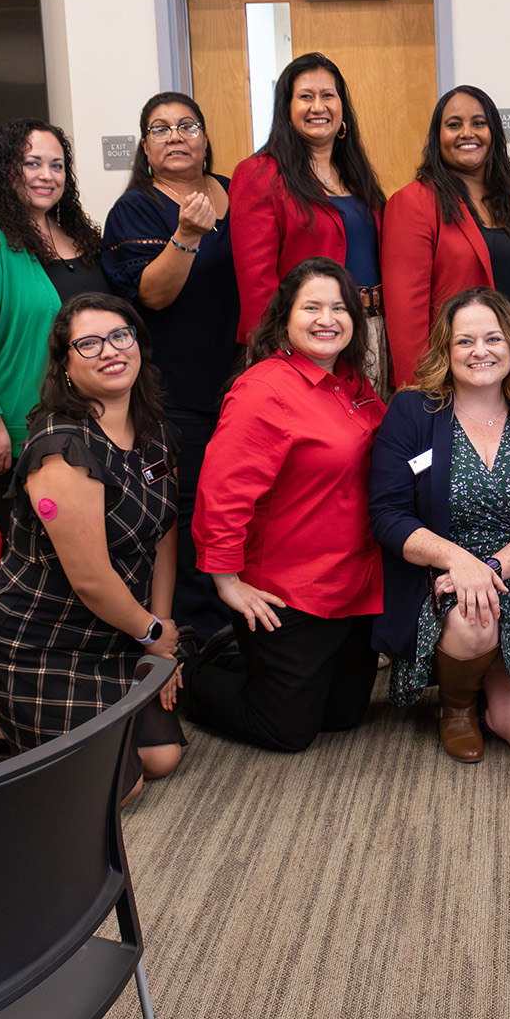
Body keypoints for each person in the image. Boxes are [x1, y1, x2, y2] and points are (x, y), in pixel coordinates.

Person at [0, 294, 185, 799]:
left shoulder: (155, 430)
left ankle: (21, 721)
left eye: (120, 336)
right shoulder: (62, 451)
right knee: (121, 789)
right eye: (89, 344)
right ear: (65, 365)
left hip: (114, 629)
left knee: (162, 757)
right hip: (39, 636)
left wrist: (162, 634)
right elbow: (90, 579)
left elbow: (165, 531)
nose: (110, 350)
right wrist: (151, 633)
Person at [189, 258, 387, 752]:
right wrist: (227, 582)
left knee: (342, 717)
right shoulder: (264, 389)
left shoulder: (353, 384)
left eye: (339, 308)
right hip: (288, 592)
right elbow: (222, 491)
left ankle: (249, 659)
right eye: (312, 307)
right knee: (286, 731)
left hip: (353, 586)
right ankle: (184, 674)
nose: (327, 319)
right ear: (285, 317)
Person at [369, 288, 510, 761]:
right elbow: (388, 515)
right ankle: (457, 705)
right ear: (446, 349)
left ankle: (479, 672)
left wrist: (492, 568)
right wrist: (460, 564)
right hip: (438, 584)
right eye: (465, 341)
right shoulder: (413, 412)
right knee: (472, 615)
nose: (480, 351)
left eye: (493, 338)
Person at [102, 91, 238, 642]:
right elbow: (152, 295)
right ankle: (197, 637)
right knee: (191, 507)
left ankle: (241, 620)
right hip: (176, 390)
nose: (176, 136)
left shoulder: (236, 192)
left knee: (240, 503)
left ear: (205, 138)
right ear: (145, 147)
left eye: (188, 125)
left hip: (243, 384)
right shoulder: (134, 209)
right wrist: (186, 236)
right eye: (160, 129)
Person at [0, 119, 106, 531]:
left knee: (81, 544)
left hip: (81, 421)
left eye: (57, 165)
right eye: (32, 163)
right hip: (14, 430)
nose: (47, 175)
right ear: (5, 170)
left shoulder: (73, 233)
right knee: (38, 549)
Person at [231, 53, 390, 394]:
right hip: (306, 341)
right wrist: (276, 352)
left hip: (371, 332)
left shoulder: (356, 173)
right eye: (306, 96)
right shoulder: (259, 174)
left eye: (328, 95)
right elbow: (257, 283)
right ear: (286, 109)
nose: (318, 106)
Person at [382, 86, 510, 388]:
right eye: (454, 124)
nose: (467, 133)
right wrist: (420, 394)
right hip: (451, 383)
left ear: (493, 133)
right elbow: (406, 319)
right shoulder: (413, 203)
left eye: (478, 123)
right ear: (437, 137)